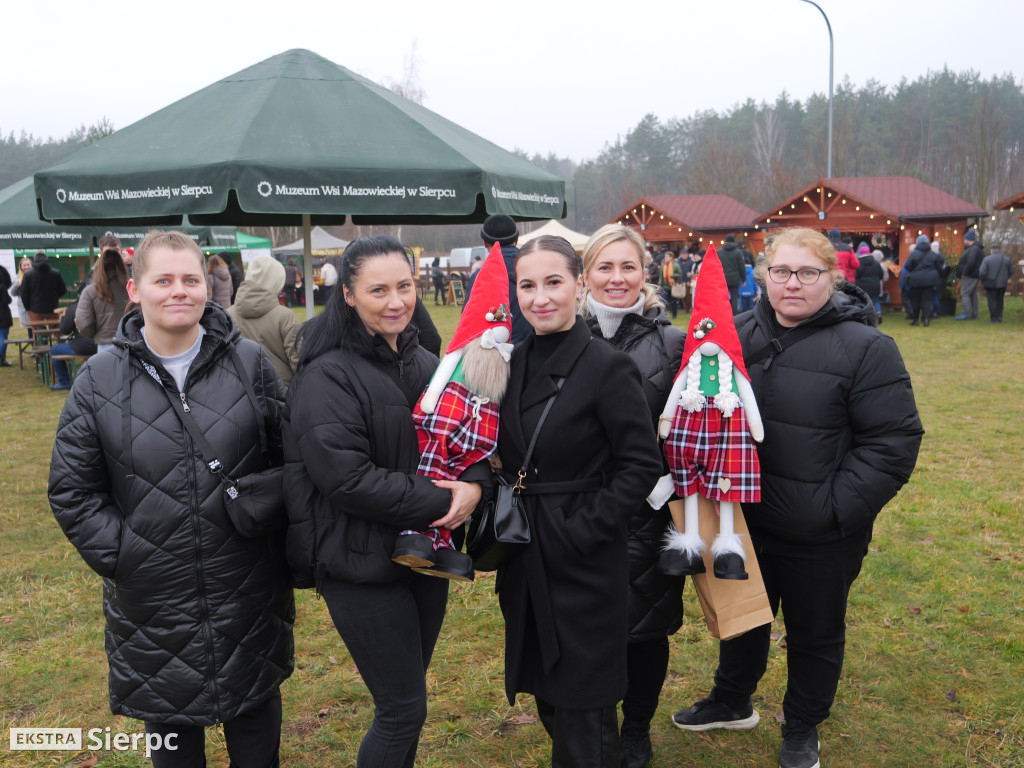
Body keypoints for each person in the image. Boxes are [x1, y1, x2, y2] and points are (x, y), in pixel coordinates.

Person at [670, 227, 922, 768]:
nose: (793, 284)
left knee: (814, 632)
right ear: (763, 276)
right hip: (743, 520)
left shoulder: (869, 348)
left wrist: (834, 510)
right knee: (743, 617)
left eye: (808, 273)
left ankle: (803, 724)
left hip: (821, 533)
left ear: (832, 277)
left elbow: (893, 442)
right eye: (782, 272)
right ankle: (732, 699)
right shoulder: (732, 336)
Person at [48, 230, 294, 767]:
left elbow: (289, 461)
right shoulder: (97, 379)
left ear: (208, 286)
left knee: (257, 738)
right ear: (135, 291)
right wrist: (125, 556)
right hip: (151, 603)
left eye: (190, 279)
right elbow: (72, 489)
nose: (178, 290)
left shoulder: (249, 362)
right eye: (163, 280)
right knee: (173, 744)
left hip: (246, 590)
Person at [283, 235, 491, 768]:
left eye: (405, 286)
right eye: (379, 290)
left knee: (409, 701)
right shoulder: (326, 372)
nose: (397, 301)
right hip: (357, 562)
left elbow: (461, 437)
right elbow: (346, 478)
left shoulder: (428, 362)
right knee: (401, 709)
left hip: (422, 556)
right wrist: (441, 498)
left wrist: (474, 483)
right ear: (348, 294)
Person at [496, 234, 663, 768]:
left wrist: (582, 529)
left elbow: (640, 465)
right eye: (528, 285)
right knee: (548, 687)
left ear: (579, 285)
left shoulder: (606, 366)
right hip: (525, 553)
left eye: (553, 282)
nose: (540, 297)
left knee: (584, 703)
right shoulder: (513, 360)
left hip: (583, 557)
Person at [579, 224, 686, 768]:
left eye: (627, 267)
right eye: (605, 267)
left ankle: (637, 728)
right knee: (586, 625)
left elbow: (692, 433)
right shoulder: (560, 334)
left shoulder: (673, 343)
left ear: (645, 272)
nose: (617, 278)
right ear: (586, 275)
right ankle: (590, 721)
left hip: (647, 514)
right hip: (576, 511)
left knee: (644, 628)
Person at [228, 254, 302, 386]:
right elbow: (300, 364)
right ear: (277, 282)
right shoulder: (285, 316)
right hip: (281, 395)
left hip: (240, 396)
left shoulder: (227, 314)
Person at [464, 213, 532, 343]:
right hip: (534, 348)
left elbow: (468, 319)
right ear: (516, 240)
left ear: (485, 243)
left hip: (496, 354)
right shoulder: (534, 269)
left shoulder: (479, 276)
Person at [76, 248, 130, 353]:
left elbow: (83, 324)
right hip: (130, 342)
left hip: (105, 345)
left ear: (99, 266)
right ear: (121, 264)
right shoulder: (131, 288)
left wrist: (95, 334)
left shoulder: (90, 291)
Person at [48, 284, 98, 391]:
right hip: (102, 345)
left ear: (79, 295)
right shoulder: (102, 305)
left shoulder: (74, 308)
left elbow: (65, 330)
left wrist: (64, 317)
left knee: (54, 349)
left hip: (81, 346)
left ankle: (64, 381)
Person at [903, 234, 943, 326]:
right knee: (927, 300)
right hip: (929, 281)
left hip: (915, 280)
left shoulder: (913, 254)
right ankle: (925, 319)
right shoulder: (933, 254)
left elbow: (907, 266)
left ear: (917, 243)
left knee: (915, 300)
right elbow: (938, 267)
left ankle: (916, 320)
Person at [20, 250, 67, 321]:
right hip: (52, 308)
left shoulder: (28, 275)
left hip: (34, 310)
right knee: (56, 330)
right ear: (46, 259)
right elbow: (63, 290)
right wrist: (54, 297)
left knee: (38, 331)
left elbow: (24, 293)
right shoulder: (56, 273)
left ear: (34, 260)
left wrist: (28, 308)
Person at [979, 242, 1013, 323]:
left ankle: (994, 318)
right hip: (1002, 284)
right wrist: (1005, 277)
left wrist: (984, 280)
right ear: (1000, 250)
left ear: (992, 250)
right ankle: (999, 316)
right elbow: (1011, 271)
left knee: (992, 300)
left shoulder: (987, 259)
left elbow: (982, 272)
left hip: (990, 283)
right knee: (1000, 300)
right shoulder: (1007, 259)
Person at [955, 229, 985, 320]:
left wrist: (965, 273)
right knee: (973, 295)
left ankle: (967, 313)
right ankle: (975, 313)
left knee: (965, 293)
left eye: (965, 239)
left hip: (969, 276)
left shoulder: (973, 250)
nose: (964, 241)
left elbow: (970, 262)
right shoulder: (978, 249)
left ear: (969, 240)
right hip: (975, 275)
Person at [855, 245, 885, 323]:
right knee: (875, 300)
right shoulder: (876, 262)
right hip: (875, 285)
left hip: (862, 285)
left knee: (863, 301)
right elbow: (881, 274)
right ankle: (878, 313)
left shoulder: (858, 263)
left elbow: (857, 275)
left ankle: (865, 316)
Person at [718, 235, 746, 314]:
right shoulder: (738, 252)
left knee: (723, 297)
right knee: (734, 298)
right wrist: (744, 279)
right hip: (734, 279)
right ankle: (734, 315)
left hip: (722, 279)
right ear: (734, 241)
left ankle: (723, 313)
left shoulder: (719, 252)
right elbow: (741, 266)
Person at [0, 263, 13, 367]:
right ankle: (1, 359)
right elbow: (7, 300)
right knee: (3, 337)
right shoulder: (2, 287)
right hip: (3, 314)